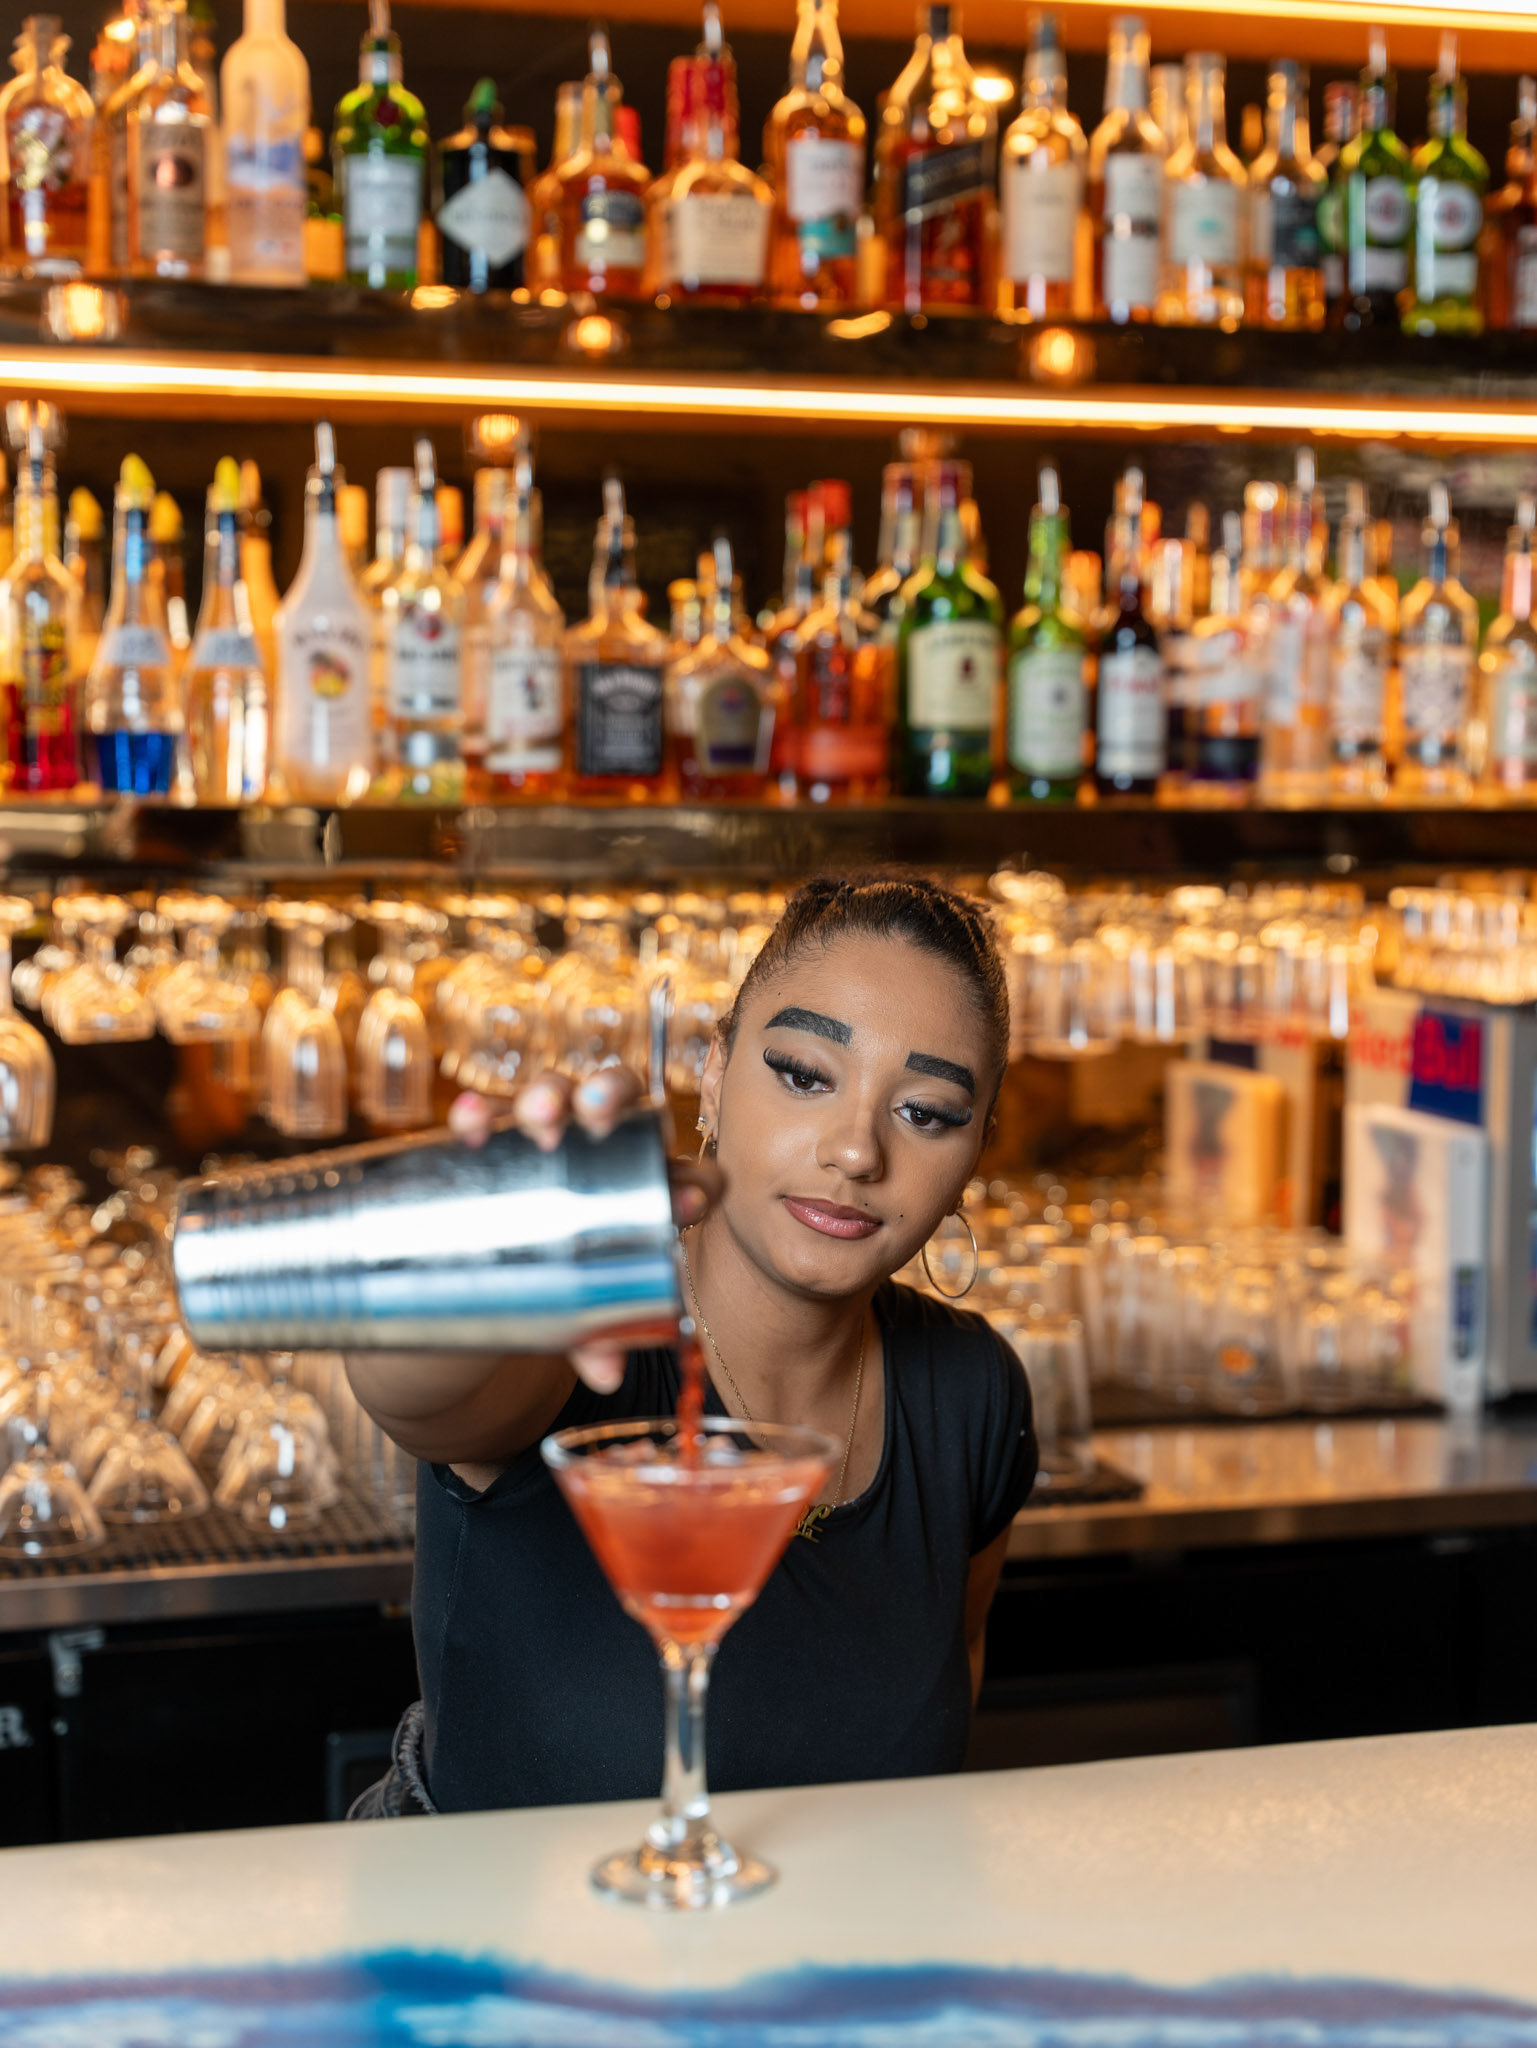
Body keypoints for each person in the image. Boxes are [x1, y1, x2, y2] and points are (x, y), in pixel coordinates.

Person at [346, 872, 1037, 1817]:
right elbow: (417, 1393)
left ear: (975, 1150)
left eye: (926, 1112)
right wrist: (471, 1262)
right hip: (486, 1910)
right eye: (804, 1074)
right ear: (712, 1073)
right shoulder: (582, 1333)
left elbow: (940, 1714)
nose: (855, 1151)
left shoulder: (972, 1392)